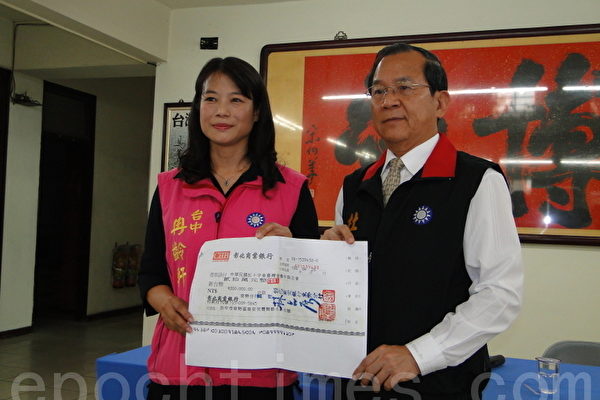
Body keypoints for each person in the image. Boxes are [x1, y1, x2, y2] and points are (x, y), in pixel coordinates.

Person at [321, 43, 523, 400]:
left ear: (440, 102)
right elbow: (344, 290)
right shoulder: (355, 186)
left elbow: (499, 293)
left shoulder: (477, 181)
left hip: (440, 385)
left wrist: (418, 354)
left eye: (404, 87)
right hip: (356, 379)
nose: (389, 101)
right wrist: (322, 261)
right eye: (379, 91)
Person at [138, 56, 320, 400]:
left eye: (236, 100)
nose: (221, 111)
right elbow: (151, 272)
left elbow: (314, 282)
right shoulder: (169, 187)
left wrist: (294, 248)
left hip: (261, 372)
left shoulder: (292, 188)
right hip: (180, 366)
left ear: (257, 112)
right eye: (211, 98)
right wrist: (163, 301)